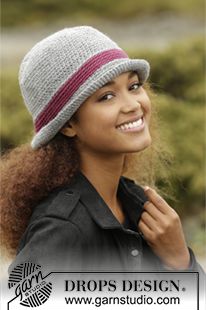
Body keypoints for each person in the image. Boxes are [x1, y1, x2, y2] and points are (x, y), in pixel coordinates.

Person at [0, 26, 204, 273]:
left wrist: (181, 262)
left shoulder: (138, 207)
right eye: (106, 96)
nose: (132, 105)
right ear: (68, 125)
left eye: (133, 86)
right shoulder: (61, 230)